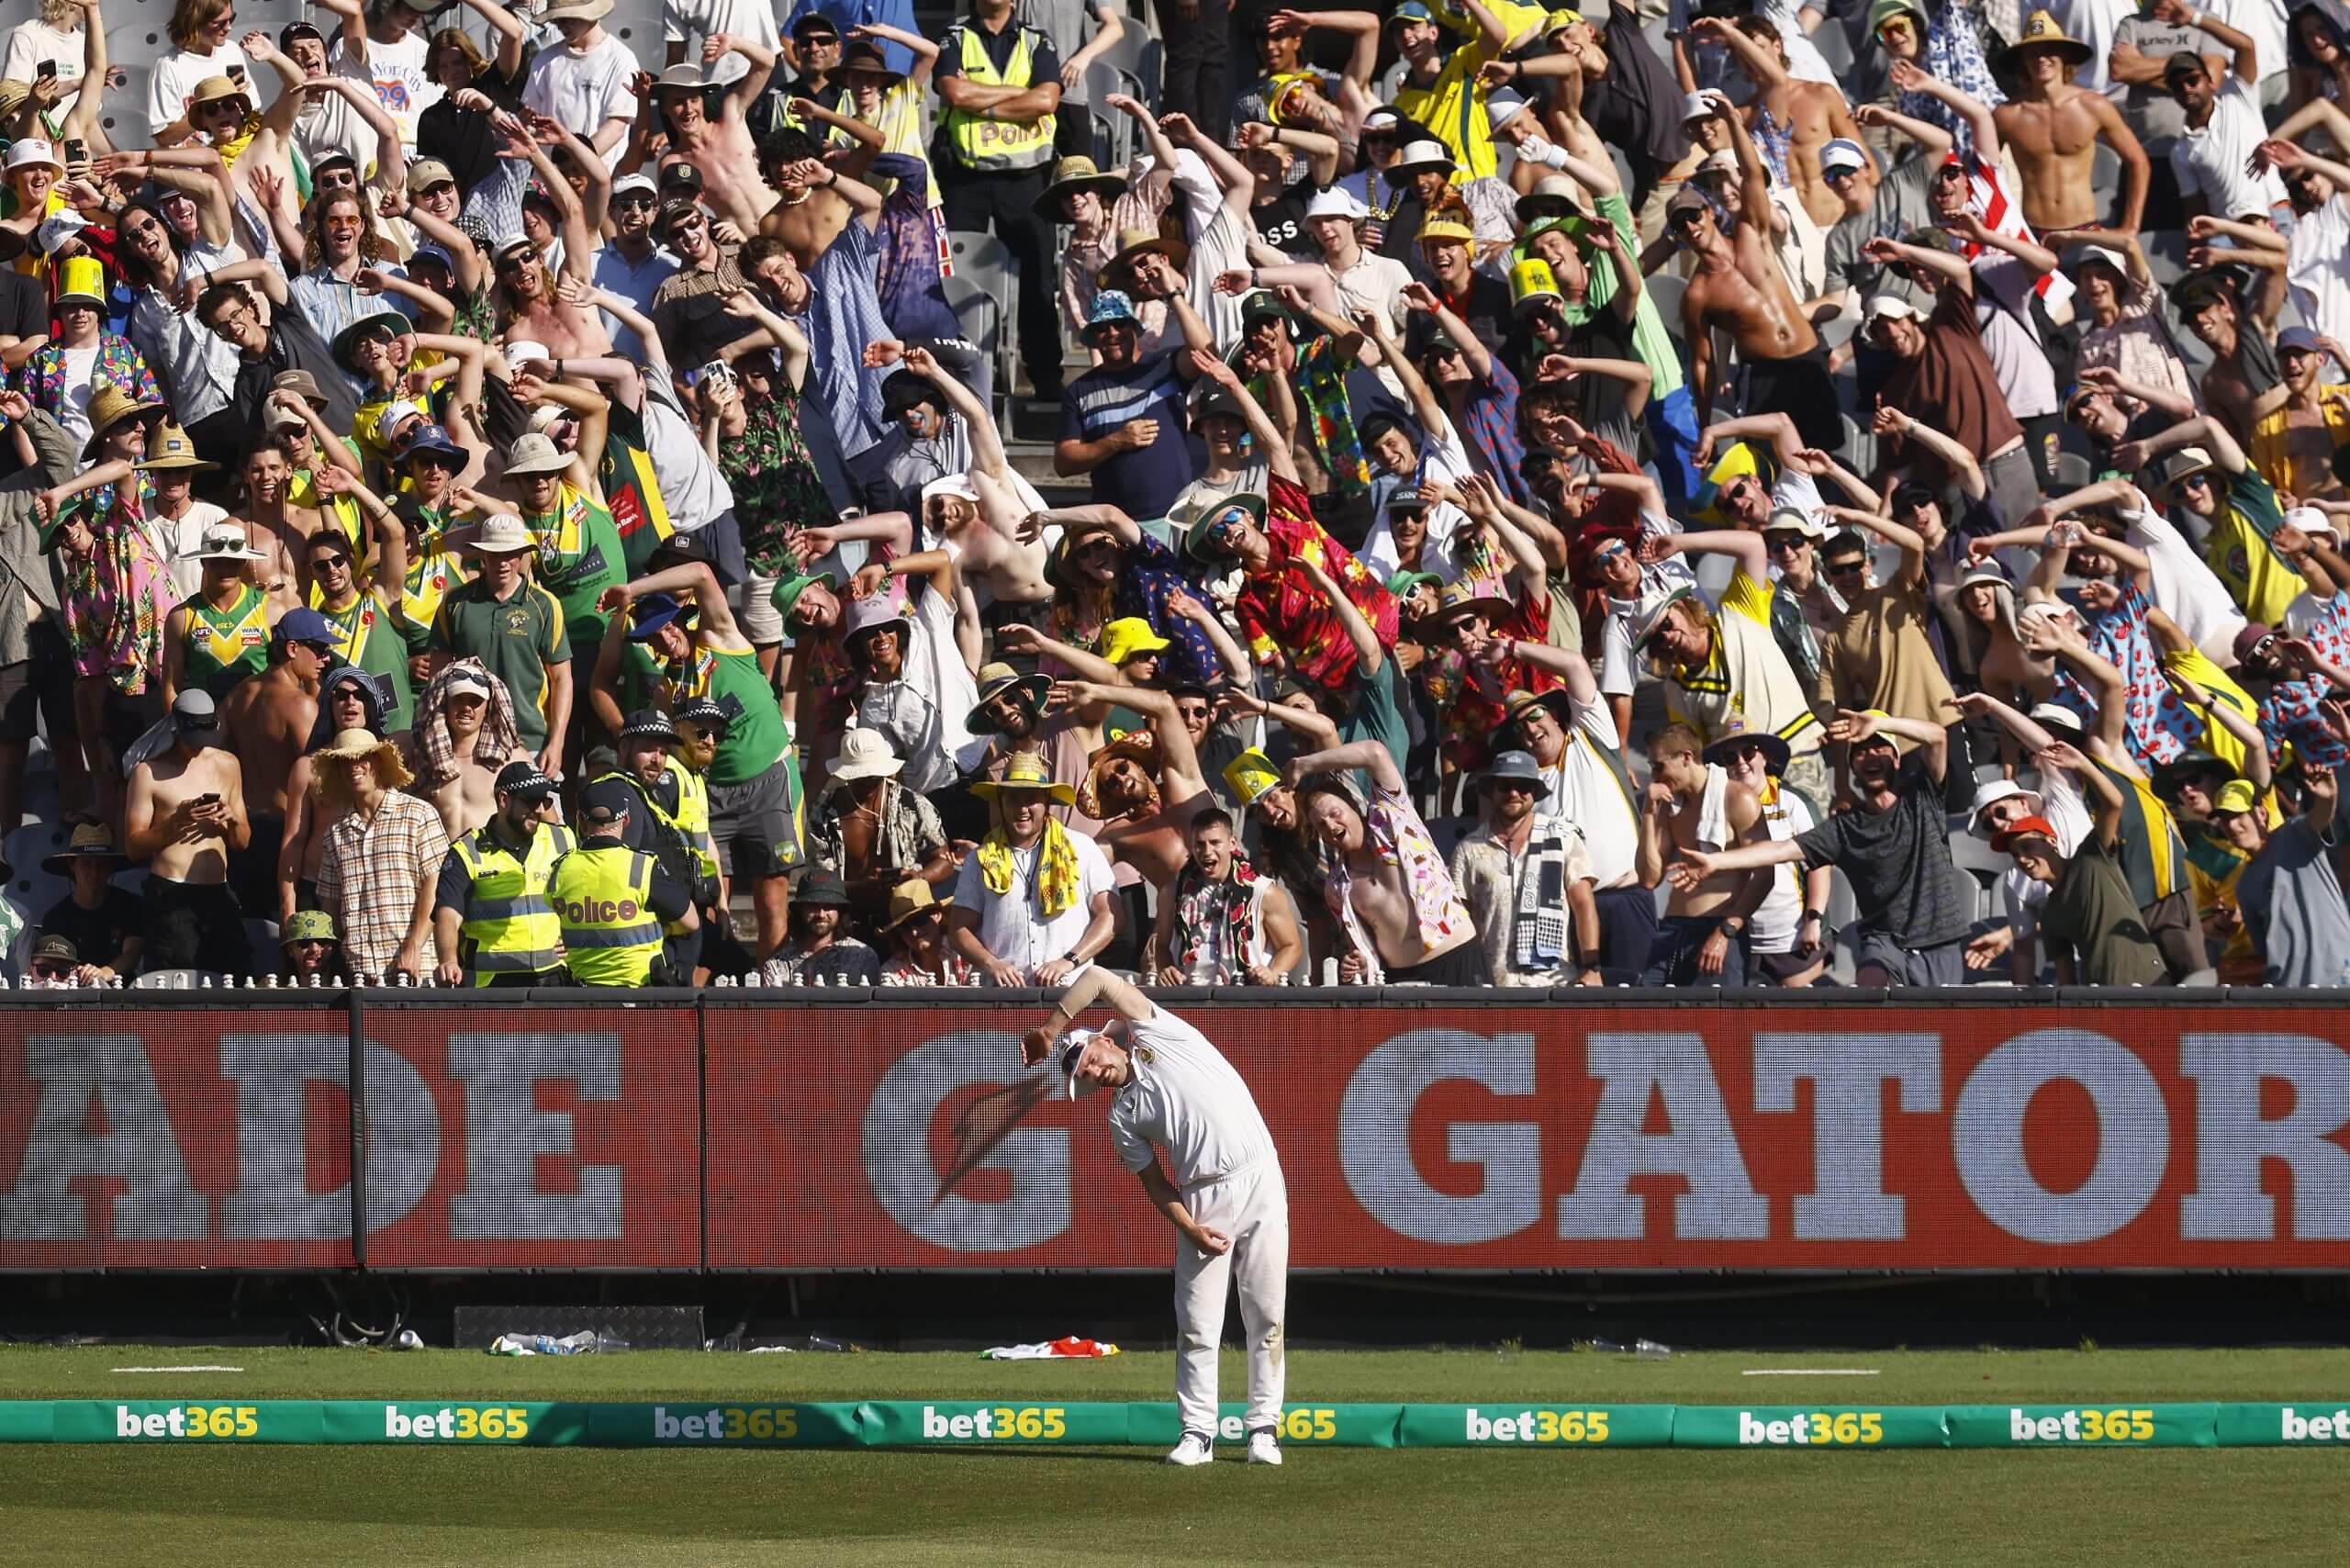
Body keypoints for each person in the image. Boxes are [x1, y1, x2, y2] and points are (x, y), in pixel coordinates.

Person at [1024, 966, 1289, 1466]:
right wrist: (1189, 1226)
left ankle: (1263, 1431)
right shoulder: (1121, 1117)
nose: (1093, 1070)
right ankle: (1197, 1433)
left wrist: (1053, 1027)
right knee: (1197, 1323)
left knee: (1267, 1315)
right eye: (1083, 1074)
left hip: (1261, 1179)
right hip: (1202, 1200)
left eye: (1090, 1058)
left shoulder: (1159, 1033)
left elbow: (1100, 978)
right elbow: (1154, 1184)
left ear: (1105, 1042)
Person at [1670, 707, 1975, 984]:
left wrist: (1882, 723)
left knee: (1943, 1035)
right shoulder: (1845, 827)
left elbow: (1937, 736)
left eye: (1880, 749)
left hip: (1939, 940)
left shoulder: (1922, 798)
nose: (1870, 757)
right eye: (1860, 752)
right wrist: (1716, 862)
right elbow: (1780, 850)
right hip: (1884, 942)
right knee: (1870, 987)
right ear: (1852, 768)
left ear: (1896, 760)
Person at [1287, 737, 1482, 986]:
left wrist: (1304, 765)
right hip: (1400, 979)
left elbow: (1374, 752)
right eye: (1321, 825)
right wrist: (1359, 961)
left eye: (1335, 814)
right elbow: (1362, 945)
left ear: (1355, 807)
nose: (1331, 825)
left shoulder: (1394, 819)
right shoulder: (1336, 886)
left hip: (1457, 958)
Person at [1997, 738, 2171, 986]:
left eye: (2027, 847)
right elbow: (2066, 980)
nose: (2022, 859)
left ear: (2051, 841)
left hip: (2149, 985)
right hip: (2098, 1001)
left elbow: (2115, 803)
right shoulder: (2049, 915)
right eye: (2015, 854)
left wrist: (2083, 765)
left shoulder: (2091, 857)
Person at [946, 751, 1117, 985]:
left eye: (1031, 798)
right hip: (1005, 997)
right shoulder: (980, 858)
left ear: (1046, 801)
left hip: (1071, 991)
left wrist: (1069, 961)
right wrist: (992, 963)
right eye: (1013, 799)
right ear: (1001, 801)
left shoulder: (1081, 848)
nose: (1022, 808)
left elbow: (1110, 916)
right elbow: (958, 930)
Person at [124, 689, 252, 978]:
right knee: (178, 990)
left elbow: (242, 842)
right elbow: (133, 846)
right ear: (176, 728)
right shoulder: (150, 773)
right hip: (172, 892)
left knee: (235, 980)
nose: (197, 748)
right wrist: (176, 821)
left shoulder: (228, 764)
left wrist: (232, 820)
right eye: (192, 741)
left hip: (219, 891)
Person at [1449, 749, 1603, 988]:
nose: (1514, 793)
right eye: (1505, 786)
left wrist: (1591, 967)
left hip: (1555, 982)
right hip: (1492, 984)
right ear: (1491, 790)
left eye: (1523, 786)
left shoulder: (1563, 837)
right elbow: (1458, 921)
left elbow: (1584, 905)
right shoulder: (1468, 849)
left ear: (1535, 793)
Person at [312, 724, 450, 982]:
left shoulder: (418, 814)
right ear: (338, 770)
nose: (354, 766)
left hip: (415, 969)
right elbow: (330, 904)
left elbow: (437, 887)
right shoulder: (335, 833)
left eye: (362, 758)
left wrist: (415, 947)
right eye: (345, 760)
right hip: (360, 974)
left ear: (377, 762)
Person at [433, 757, 574, 988]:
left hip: (554, 978)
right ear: (504, 799)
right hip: (492, 986)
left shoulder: (562, 840)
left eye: (544, 801)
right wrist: (448, 960)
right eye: (530, 801)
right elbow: (448, 913)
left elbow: (586, 895)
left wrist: (575, 936)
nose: (539, 810)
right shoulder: (466, 851)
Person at [549, 776, 699, 986]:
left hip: (581, 998)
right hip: (637, 996)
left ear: (581, 822)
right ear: (626, 820)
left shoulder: (560, 870)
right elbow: (691, 922)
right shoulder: (641, 866)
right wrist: (661, 929)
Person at [2228, 757, 2350, 984]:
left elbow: (2321, 816)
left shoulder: (2295, 833)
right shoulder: (2244, 886)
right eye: (2225, 819)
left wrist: (2327, 797)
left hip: (2340, 979)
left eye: (2238, 815)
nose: (2232, 826)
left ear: (2262, 814)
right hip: (2291, 995)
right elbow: (2265, 953)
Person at [1153, 805, 1305, 985]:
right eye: (1200, 844)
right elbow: (1161, 946)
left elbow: (1291, 946)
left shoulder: (1263, 891)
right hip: (1190, 996)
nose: (1207, 852)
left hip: (1246, 996)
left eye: (1215, 843)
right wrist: (1166, 969)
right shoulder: (1173, 892)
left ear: (1232, 843)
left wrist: (1272, 972)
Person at [36, 821, 141, 986]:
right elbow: (55, 961)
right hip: (72, 994)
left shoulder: (130, 905)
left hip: (121, 996)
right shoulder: (55, 917)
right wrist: (84, 973)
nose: (94, 872)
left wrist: (104, 972)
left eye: (101, 864)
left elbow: (133, 952)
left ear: (110, 868)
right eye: (86, 863)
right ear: (72, 865)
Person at [761, 866, 881, 982]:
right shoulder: (776, 966)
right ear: (800, 910)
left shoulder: (862, 957)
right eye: (813, 906)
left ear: (840, 910)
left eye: (829, 906)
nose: (821, 914)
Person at [277, 906, 348, 983]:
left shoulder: (350, 988)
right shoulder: (272, 991)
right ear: (290, 949)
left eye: (322, 942)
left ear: (332, 948)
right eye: (305, 943)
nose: (314, 949)